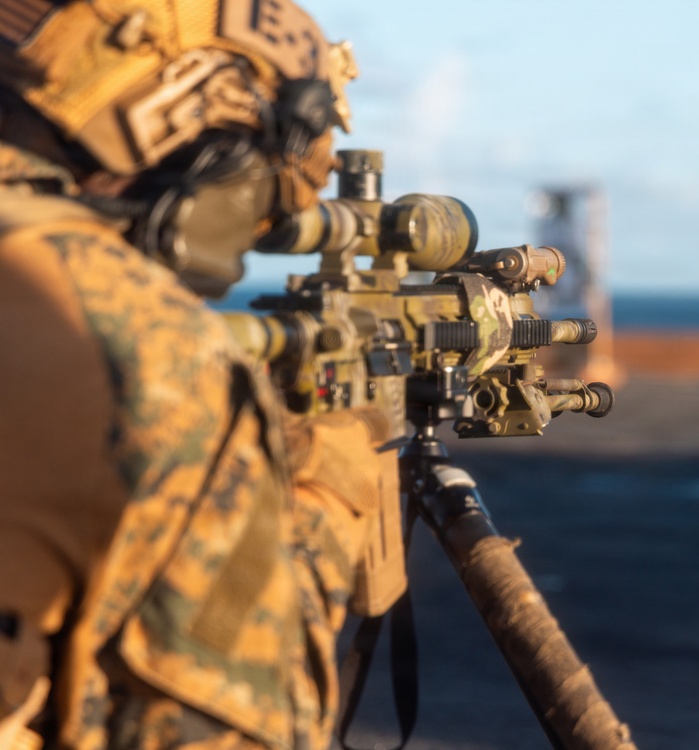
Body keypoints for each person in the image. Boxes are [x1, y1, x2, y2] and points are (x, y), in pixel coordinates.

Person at [0, 0, 406, 747]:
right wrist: (325, 504)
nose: (252, 230)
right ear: (186, 129)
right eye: (263, 190)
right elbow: (229, 719)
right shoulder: (143, 345)